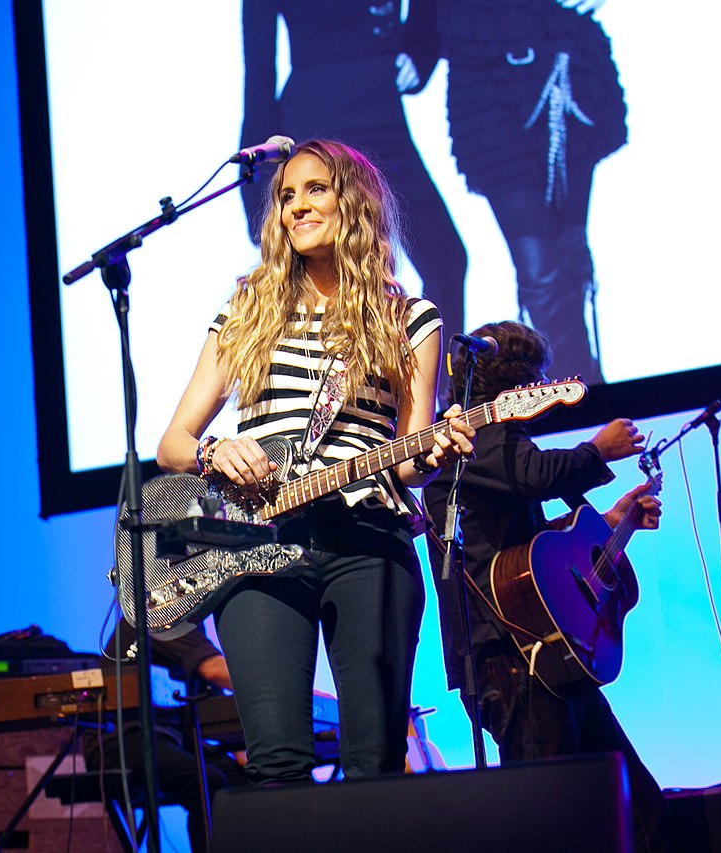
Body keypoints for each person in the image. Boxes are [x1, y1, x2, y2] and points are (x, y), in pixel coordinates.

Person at [157, 139, 476, 783]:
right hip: (256, 545)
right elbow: (174, 444)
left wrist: (434, 456)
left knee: (375, 760)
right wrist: (220, 450)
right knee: (275, 763)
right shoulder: (245, 312)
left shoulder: (409, 318)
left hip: (367, 540)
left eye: (314, 190)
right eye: (284, 196)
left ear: (352, 203)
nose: (296, 207)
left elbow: (410, 454)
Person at [422, 320, 666, 852]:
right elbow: (532, 474)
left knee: (636, 809)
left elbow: (533, 555)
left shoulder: (498, 451)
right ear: (520, 384)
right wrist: (598, 451)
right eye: (536, 378)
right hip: (510, 664)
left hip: (545, 658)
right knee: (554, 826)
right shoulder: (479, 437)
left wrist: (612, 518)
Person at [240, 0, 468, 341]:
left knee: (447, 258)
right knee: (325, 270)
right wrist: (256, 171)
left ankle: (446, 393)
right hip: (315, 116)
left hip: (381, 109)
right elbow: (259, 68)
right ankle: (326, 383)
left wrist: (421, 47)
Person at [437, 0, 627, 382]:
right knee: (542, 268)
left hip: (562, 50)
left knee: (571, 257)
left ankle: (586, 390)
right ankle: (578, 395)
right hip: (487, 68)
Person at [83, 619, 246, 853]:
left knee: (240, 779)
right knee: (208, 783)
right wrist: (285, 690)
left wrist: (240, 747)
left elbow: (213, 700)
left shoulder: (190, 625)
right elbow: (212, 669)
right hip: (120, 739)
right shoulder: (156, 614)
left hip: (170, 739)